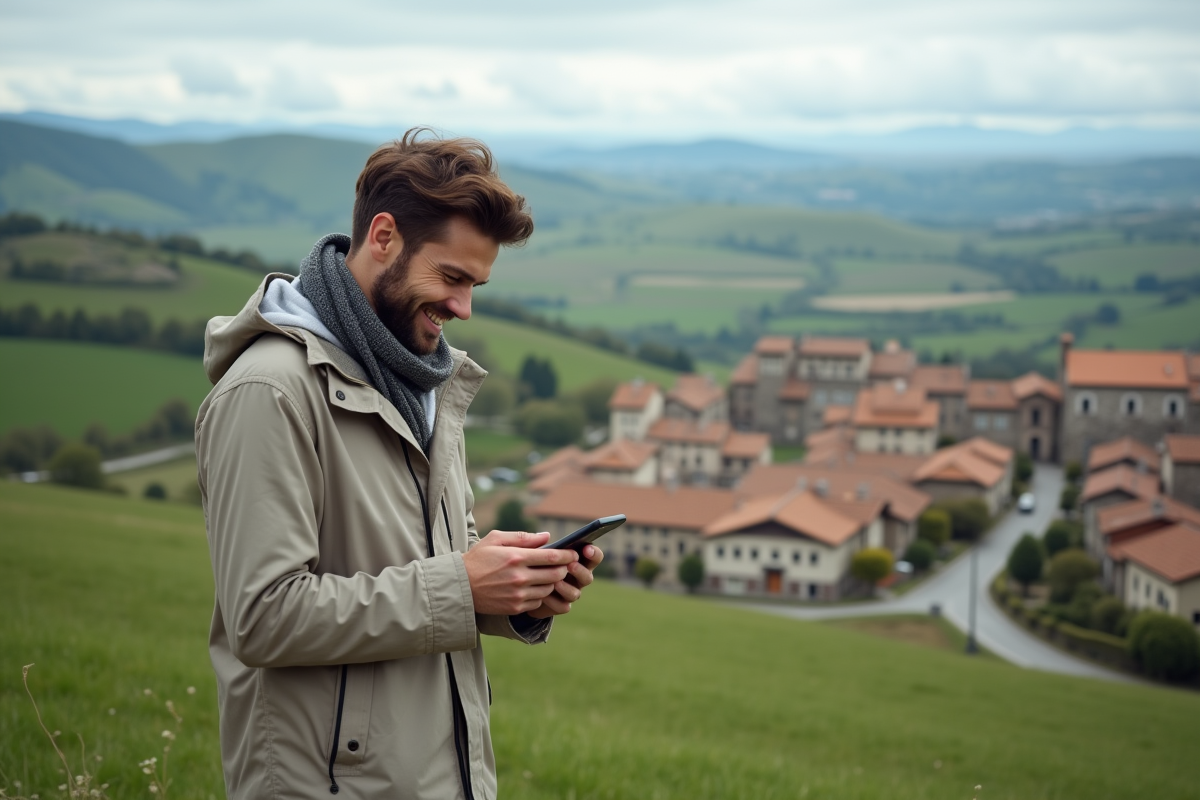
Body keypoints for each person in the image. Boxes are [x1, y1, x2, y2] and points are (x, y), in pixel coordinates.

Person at [196, 129, 603, 800]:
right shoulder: (269, 391)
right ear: (383, 237)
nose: (464, 307)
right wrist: (463, 588)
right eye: (452, 277)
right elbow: (263, 616)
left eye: (476, 284)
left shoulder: (422, 384)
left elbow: (433, 566)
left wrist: (518, 592)